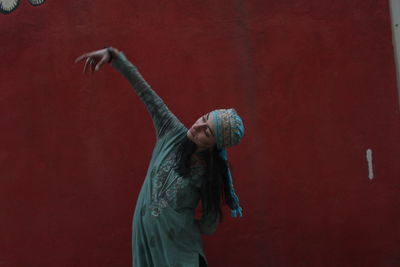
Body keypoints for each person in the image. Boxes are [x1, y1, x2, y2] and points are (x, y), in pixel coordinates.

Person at [75, 47, 245, 267]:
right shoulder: (171, 133)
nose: (198, 126)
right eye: (204, 118)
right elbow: (147, 95)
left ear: (214, 146)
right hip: (146, 244)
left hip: (178, 254)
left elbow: (210, 224)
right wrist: (114, 57)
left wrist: (175, 223)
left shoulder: (208, 175)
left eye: (208, 132)